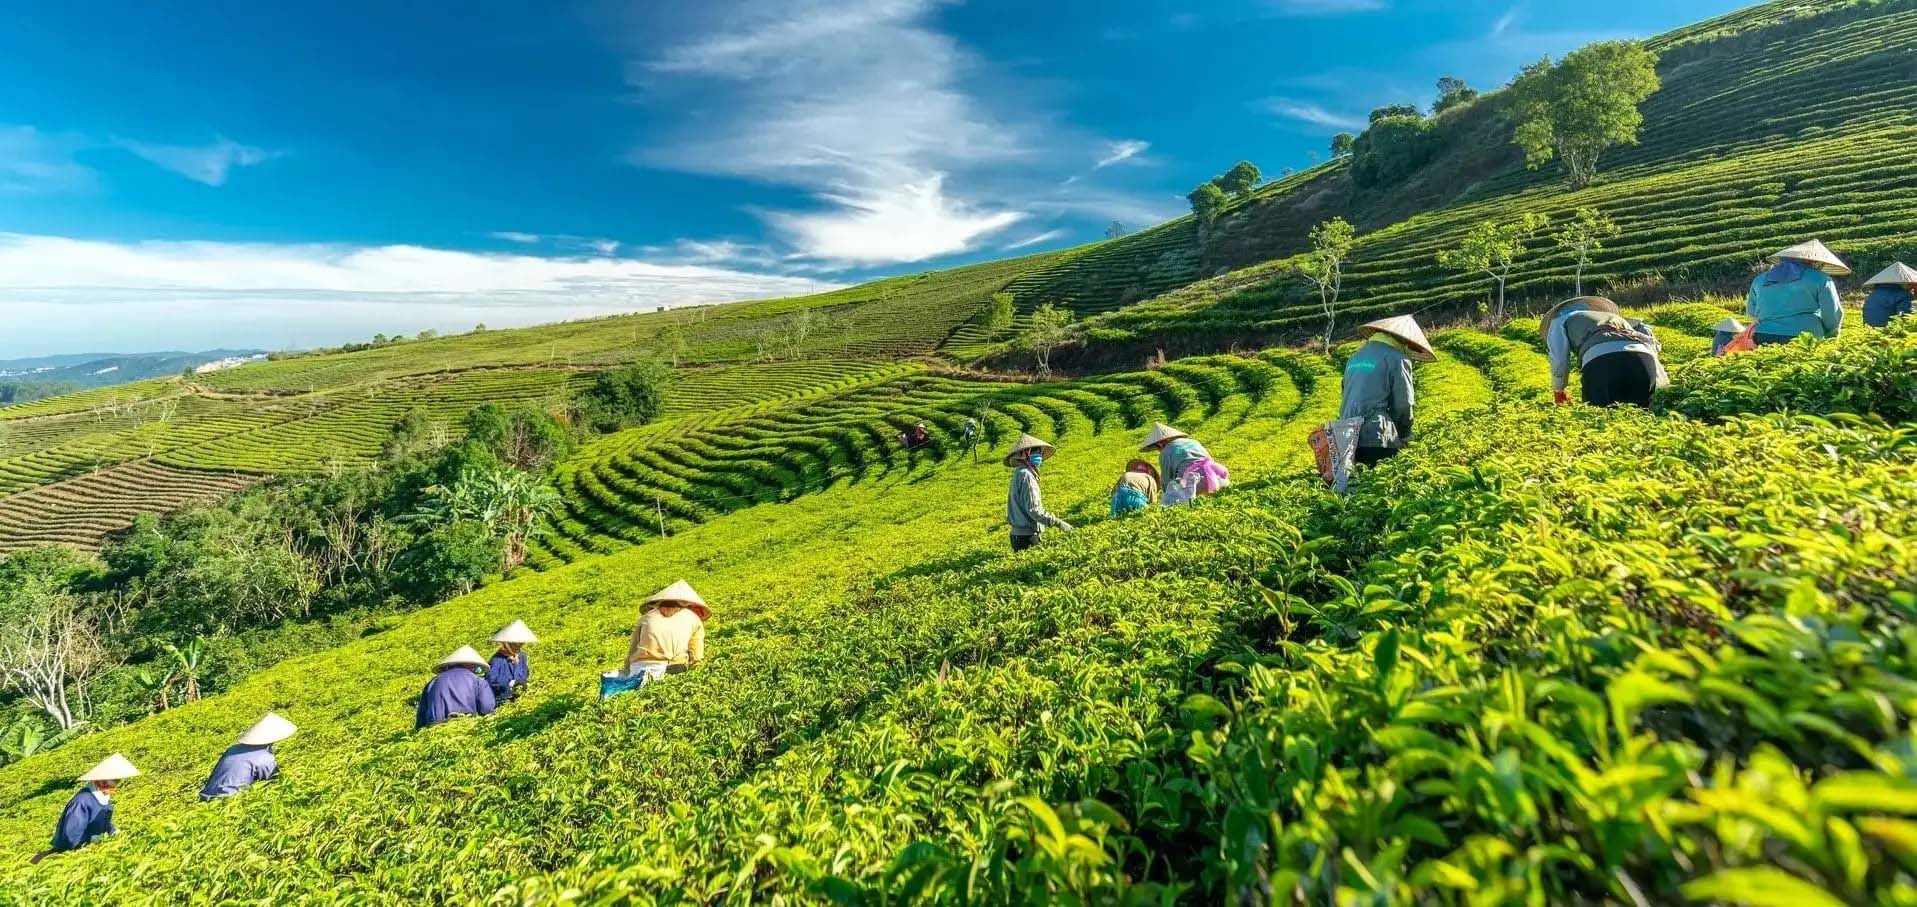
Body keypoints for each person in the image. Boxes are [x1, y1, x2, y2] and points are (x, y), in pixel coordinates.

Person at [1338, 315, 1433, 466]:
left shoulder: (1355, 357)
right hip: (1377, 436)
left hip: (1347, 436)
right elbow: (1404, 404)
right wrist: (1404, 435)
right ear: (1404, 340)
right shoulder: (1398, 358)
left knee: (1360, 486)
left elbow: (1346, 394)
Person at [1542, 296, 1666, 409]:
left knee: (1600, 417)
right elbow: (1646, 332)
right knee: (1641, 416)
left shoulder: (1559, 320)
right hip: (1644, 360)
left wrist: (1559, 390)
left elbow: (1559, 360)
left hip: (1602, 363)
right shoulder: (1613, 318)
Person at [1745, 239, 1848, 344]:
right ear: (1813, 261)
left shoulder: (1760, 279)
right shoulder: (1821, 278)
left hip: (1764, 334)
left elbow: (1751, 311)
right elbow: (1832, 313)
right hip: (1805, 335)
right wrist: (1832, 336)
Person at [43, 754, 137, 857]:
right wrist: (91, 839)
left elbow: (101, 822)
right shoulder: (82, 801)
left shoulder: (103, 798)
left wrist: (112, 830)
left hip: (93, 849)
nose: (116, 785)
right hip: (70, 853)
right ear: (101, 782)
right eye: (114, 781)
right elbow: (71, 835)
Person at [625, 580, 709, 684]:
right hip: (672, 668)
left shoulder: (646, 617)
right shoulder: (693, 618)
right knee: (681, 657)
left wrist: (626, 672)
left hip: (638, 669)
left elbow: (633, 649)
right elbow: (696, 655)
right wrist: (697, 675)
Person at [200, 712, 296, 800]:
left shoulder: (233, 749)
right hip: (230, 801)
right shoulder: (265, 757)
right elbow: (274, 782)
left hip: (205, 797)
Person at [1005, 433, 1071, 551]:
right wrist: (1057, 522)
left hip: (1019, 536)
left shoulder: (1020, 473)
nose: (1039, 455)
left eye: (1040, 451)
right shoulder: (1026, 475)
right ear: (1025, 453)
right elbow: (1034, 510)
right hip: (1026, 537)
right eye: (1035, 451)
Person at [1140, 424, 1230, 506]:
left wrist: (1166, 494)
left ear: (1160, 444)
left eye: (1157, 447)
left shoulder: (1165, 452)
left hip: (1194, 483)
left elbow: (1166, 478)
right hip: (1216, 477)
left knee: (1174, 497)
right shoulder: (1193, 442)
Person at [415, 645, 496, 730]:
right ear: (470, 665)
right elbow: (487, 708)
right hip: (466, 726)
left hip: (435, 730)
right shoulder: (478, 681)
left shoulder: (432, 682)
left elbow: (421, 717)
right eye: (475, 666)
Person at [487, 620, 537, 703]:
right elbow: (491, 680)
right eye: (516, 644)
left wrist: (523, 682)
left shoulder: (522, 656)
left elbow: (525, 673)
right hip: (501, 699)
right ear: (507, 644)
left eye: (521, 643)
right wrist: (509, 682)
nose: (519, 646)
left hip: (519, 697)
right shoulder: (497, 660)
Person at [1862, 262, 1917, 328]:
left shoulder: (1873, 294)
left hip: (1869, 330)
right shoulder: (1903, 295)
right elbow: (1906, 318)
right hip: (1889, 332)